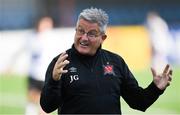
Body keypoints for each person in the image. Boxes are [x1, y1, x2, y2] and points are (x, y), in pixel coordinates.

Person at [40, 8, 173, 114]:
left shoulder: (116, 62)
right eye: (80, 31)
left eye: (91, 34)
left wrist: (156, 89)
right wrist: (54, 80)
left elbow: (138, 102)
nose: (84, 38)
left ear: (103, 38)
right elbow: (47, 106)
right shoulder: (60, 62)